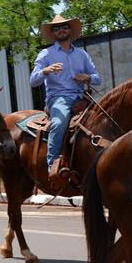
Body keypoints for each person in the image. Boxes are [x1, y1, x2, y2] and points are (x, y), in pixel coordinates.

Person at [30, 15, 101, 185]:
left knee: (106, 119)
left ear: (70, 30)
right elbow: (33, 81)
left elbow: (97, 78)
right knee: (59, 123)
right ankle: (52, 165)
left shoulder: (82, 54)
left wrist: (87, 77)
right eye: (57, 28)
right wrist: (46, 70)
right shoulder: (46, 54)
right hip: (58, 98)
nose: (61, 30)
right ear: (53, 33)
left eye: (64, 27)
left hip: (82, 97)